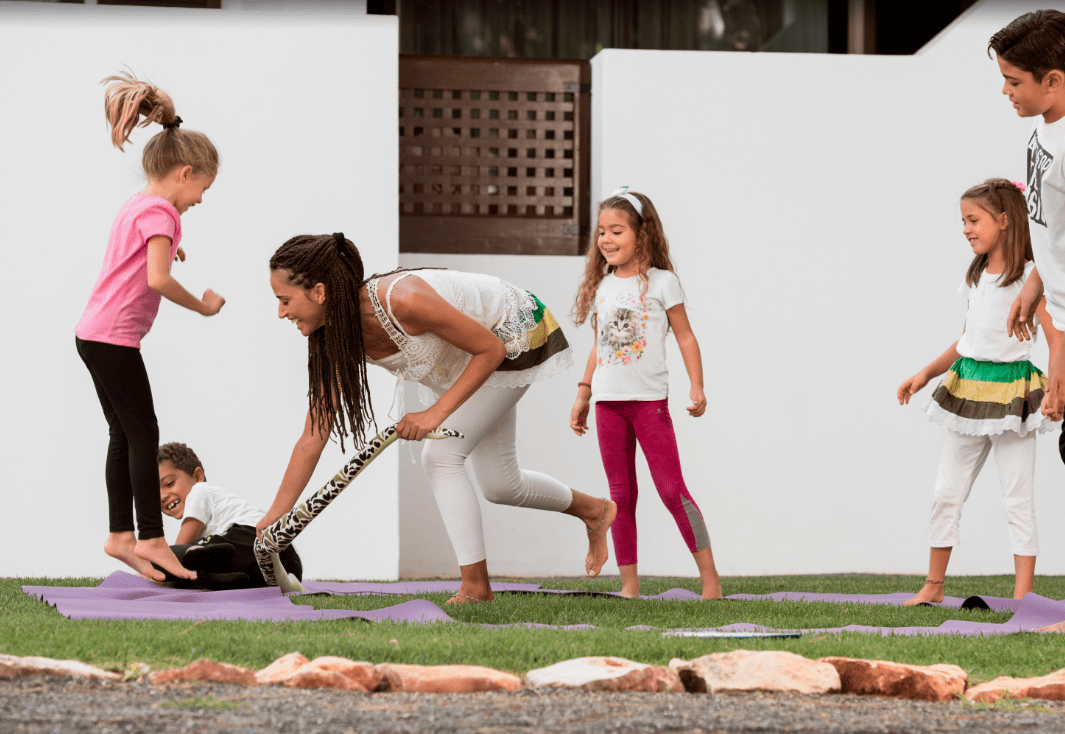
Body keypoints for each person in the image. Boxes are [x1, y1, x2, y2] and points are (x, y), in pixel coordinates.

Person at [257, 233, 617, 604]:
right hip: (470, 356)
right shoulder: (334, 337)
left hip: (512, 330)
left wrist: (433, 414)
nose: (281, 313)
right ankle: (595, 511)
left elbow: (490, 349)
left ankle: (476, 588)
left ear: (319, 292)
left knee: (441, 457)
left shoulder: (403, 300)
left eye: (285, 300)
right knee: (501, 485)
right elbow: (313, 436)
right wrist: (275, 517)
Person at [75, 70, 225, 583]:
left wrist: (168, 243)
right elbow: (156, 279)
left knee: (123, 432)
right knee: (144, 434)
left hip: (92, 335)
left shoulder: (140, 205)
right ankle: (152, 537)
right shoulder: (161, 214)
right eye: (203, 188)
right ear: (185, 173)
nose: (200, 199)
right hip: (114, 339)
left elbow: (138, 254)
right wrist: (202, 306)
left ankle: (120, 535)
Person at [898, 179, 1059, 605]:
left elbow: (1055, 335)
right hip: (968, 393)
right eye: (964, 222)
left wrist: (1056, 386)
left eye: (973, 220)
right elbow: (968, 339)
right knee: (946, 491)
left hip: (1012, 397)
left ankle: (1023, 596)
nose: (966, 229)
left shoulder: (1030, 279)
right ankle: (934, 586)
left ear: (1004, 220)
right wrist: (926, 373)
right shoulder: (975, 277)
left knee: (1017, 497)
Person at [569, 187, 723, 600]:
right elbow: (599, 345)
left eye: (617, 231)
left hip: (648, 404)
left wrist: (697, 385)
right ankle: (629, 586)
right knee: (621, 497)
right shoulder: (603, 286)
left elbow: (686, 336)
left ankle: (710, 581)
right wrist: (584, 393)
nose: (606, 239)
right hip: (608, 404)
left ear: (642, 234)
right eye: (602, 231)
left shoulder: (662, 282)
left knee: (672, 491)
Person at [992, 12, 1065, 435]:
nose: (1005, 90)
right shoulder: (1047, 123)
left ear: (1052, 80)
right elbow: (1054, 226)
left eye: (1013, 81)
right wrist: (1037, 281)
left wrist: (1060, 354)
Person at [158, 442, 302, 590]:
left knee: (174, 555)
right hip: (286, 565)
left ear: (198, 476)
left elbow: (179, 549)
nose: (162, 496)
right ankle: (225, 581)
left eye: (169, 484)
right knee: (181, 579)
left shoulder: (199, 490)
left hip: (254, 538)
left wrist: (158, 574)